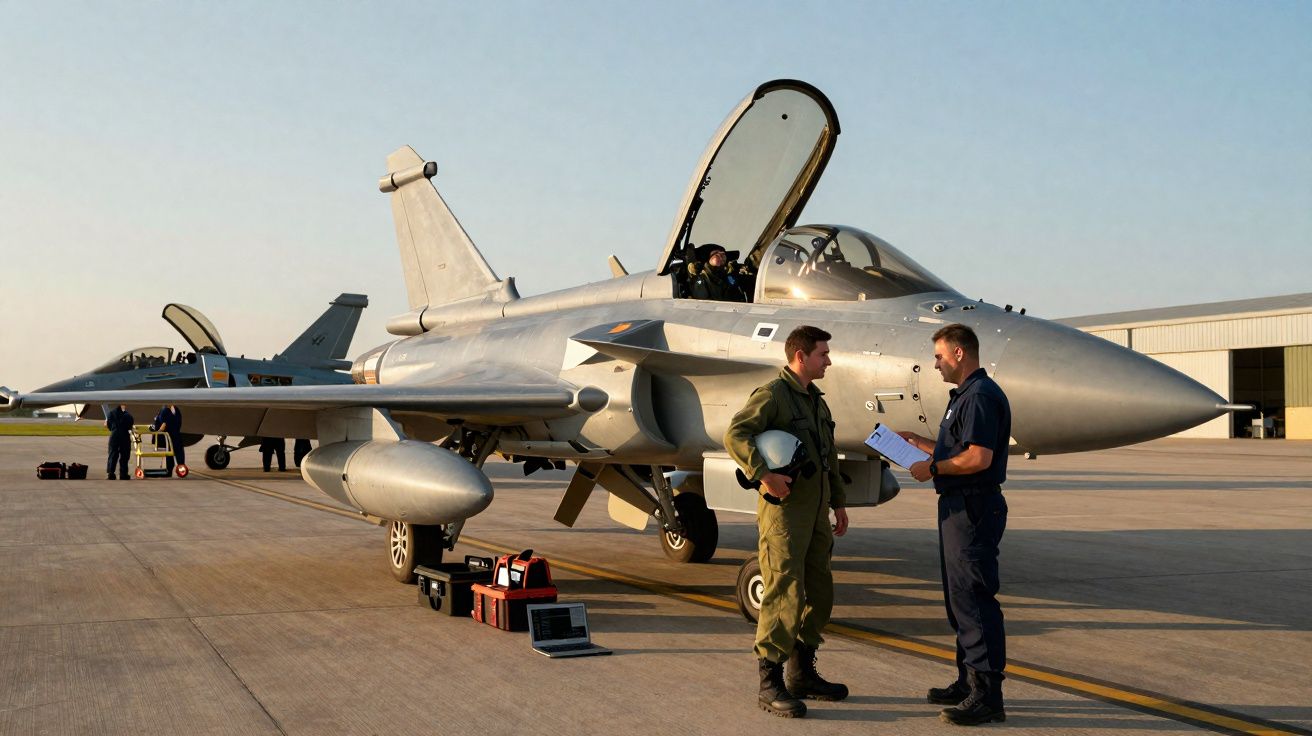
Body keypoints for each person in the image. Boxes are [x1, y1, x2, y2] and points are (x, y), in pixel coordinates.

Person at [724, 325, 849, 718]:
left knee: (820, 592)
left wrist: (839, 503)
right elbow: (736, 434)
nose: (828, 360)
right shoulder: (774, 394)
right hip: (784, 513)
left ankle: (801, 673)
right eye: (822, 354)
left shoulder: (817, 402)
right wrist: (764, 474)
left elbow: (828, 459)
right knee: (784, 593)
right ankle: (769, 681)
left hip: (815, 513)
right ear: (801, 357)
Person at [897, 323, 1011, 726]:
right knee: (958, 598)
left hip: (973, 507)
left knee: (975, 598)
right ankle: (967, 681)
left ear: (960, 354)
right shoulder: (964, 397)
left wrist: (933, 466)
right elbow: (959, 450)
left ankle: (987, 695)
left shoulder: (979, 396)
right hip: (958, 506)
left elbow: (978, 458)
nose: (936, 364)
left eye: (940, 357)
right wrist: (920, 444)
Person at [152, 404, 184, 475]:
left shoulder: (170, 409)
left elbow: (163, 425)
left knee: (171, 453)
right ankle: (179, 470)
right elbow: (164, 424)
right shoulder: (169, 410)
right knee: (176, 453)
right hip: (173, 435)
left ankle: (171, 471)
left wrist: (158, 432)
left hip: (172, 435)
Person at [104, 404, 133, 480]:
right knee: (124, 455)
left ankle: (111, 473)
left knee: (112, 454)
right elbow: (130, 426)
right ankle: (123, 474)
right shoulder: (128, 415)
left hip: (114, 435)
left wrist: (113, 429)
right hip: (124, 435)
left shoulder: (111, 413)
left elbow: (108, 425)